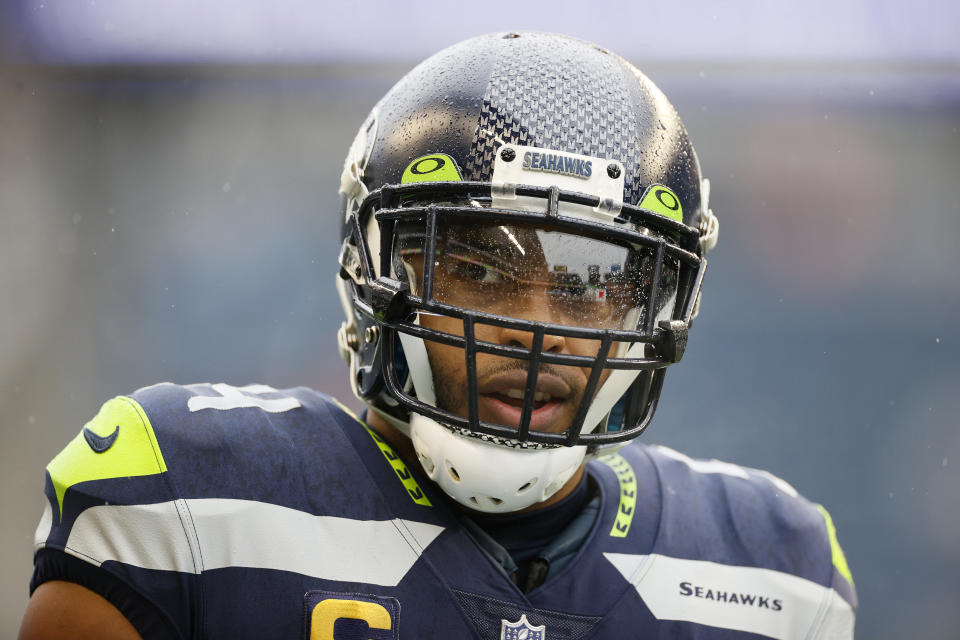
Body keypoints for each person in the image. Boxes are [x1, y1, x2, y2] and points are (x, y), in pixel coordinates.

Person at [20, 32, 856, 639]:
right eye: (482, 270)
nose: (538, 330)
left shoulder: (772, 569)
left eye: (590, 284)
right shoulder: (192, 498)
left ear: (659, 308)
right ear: (375, 272)